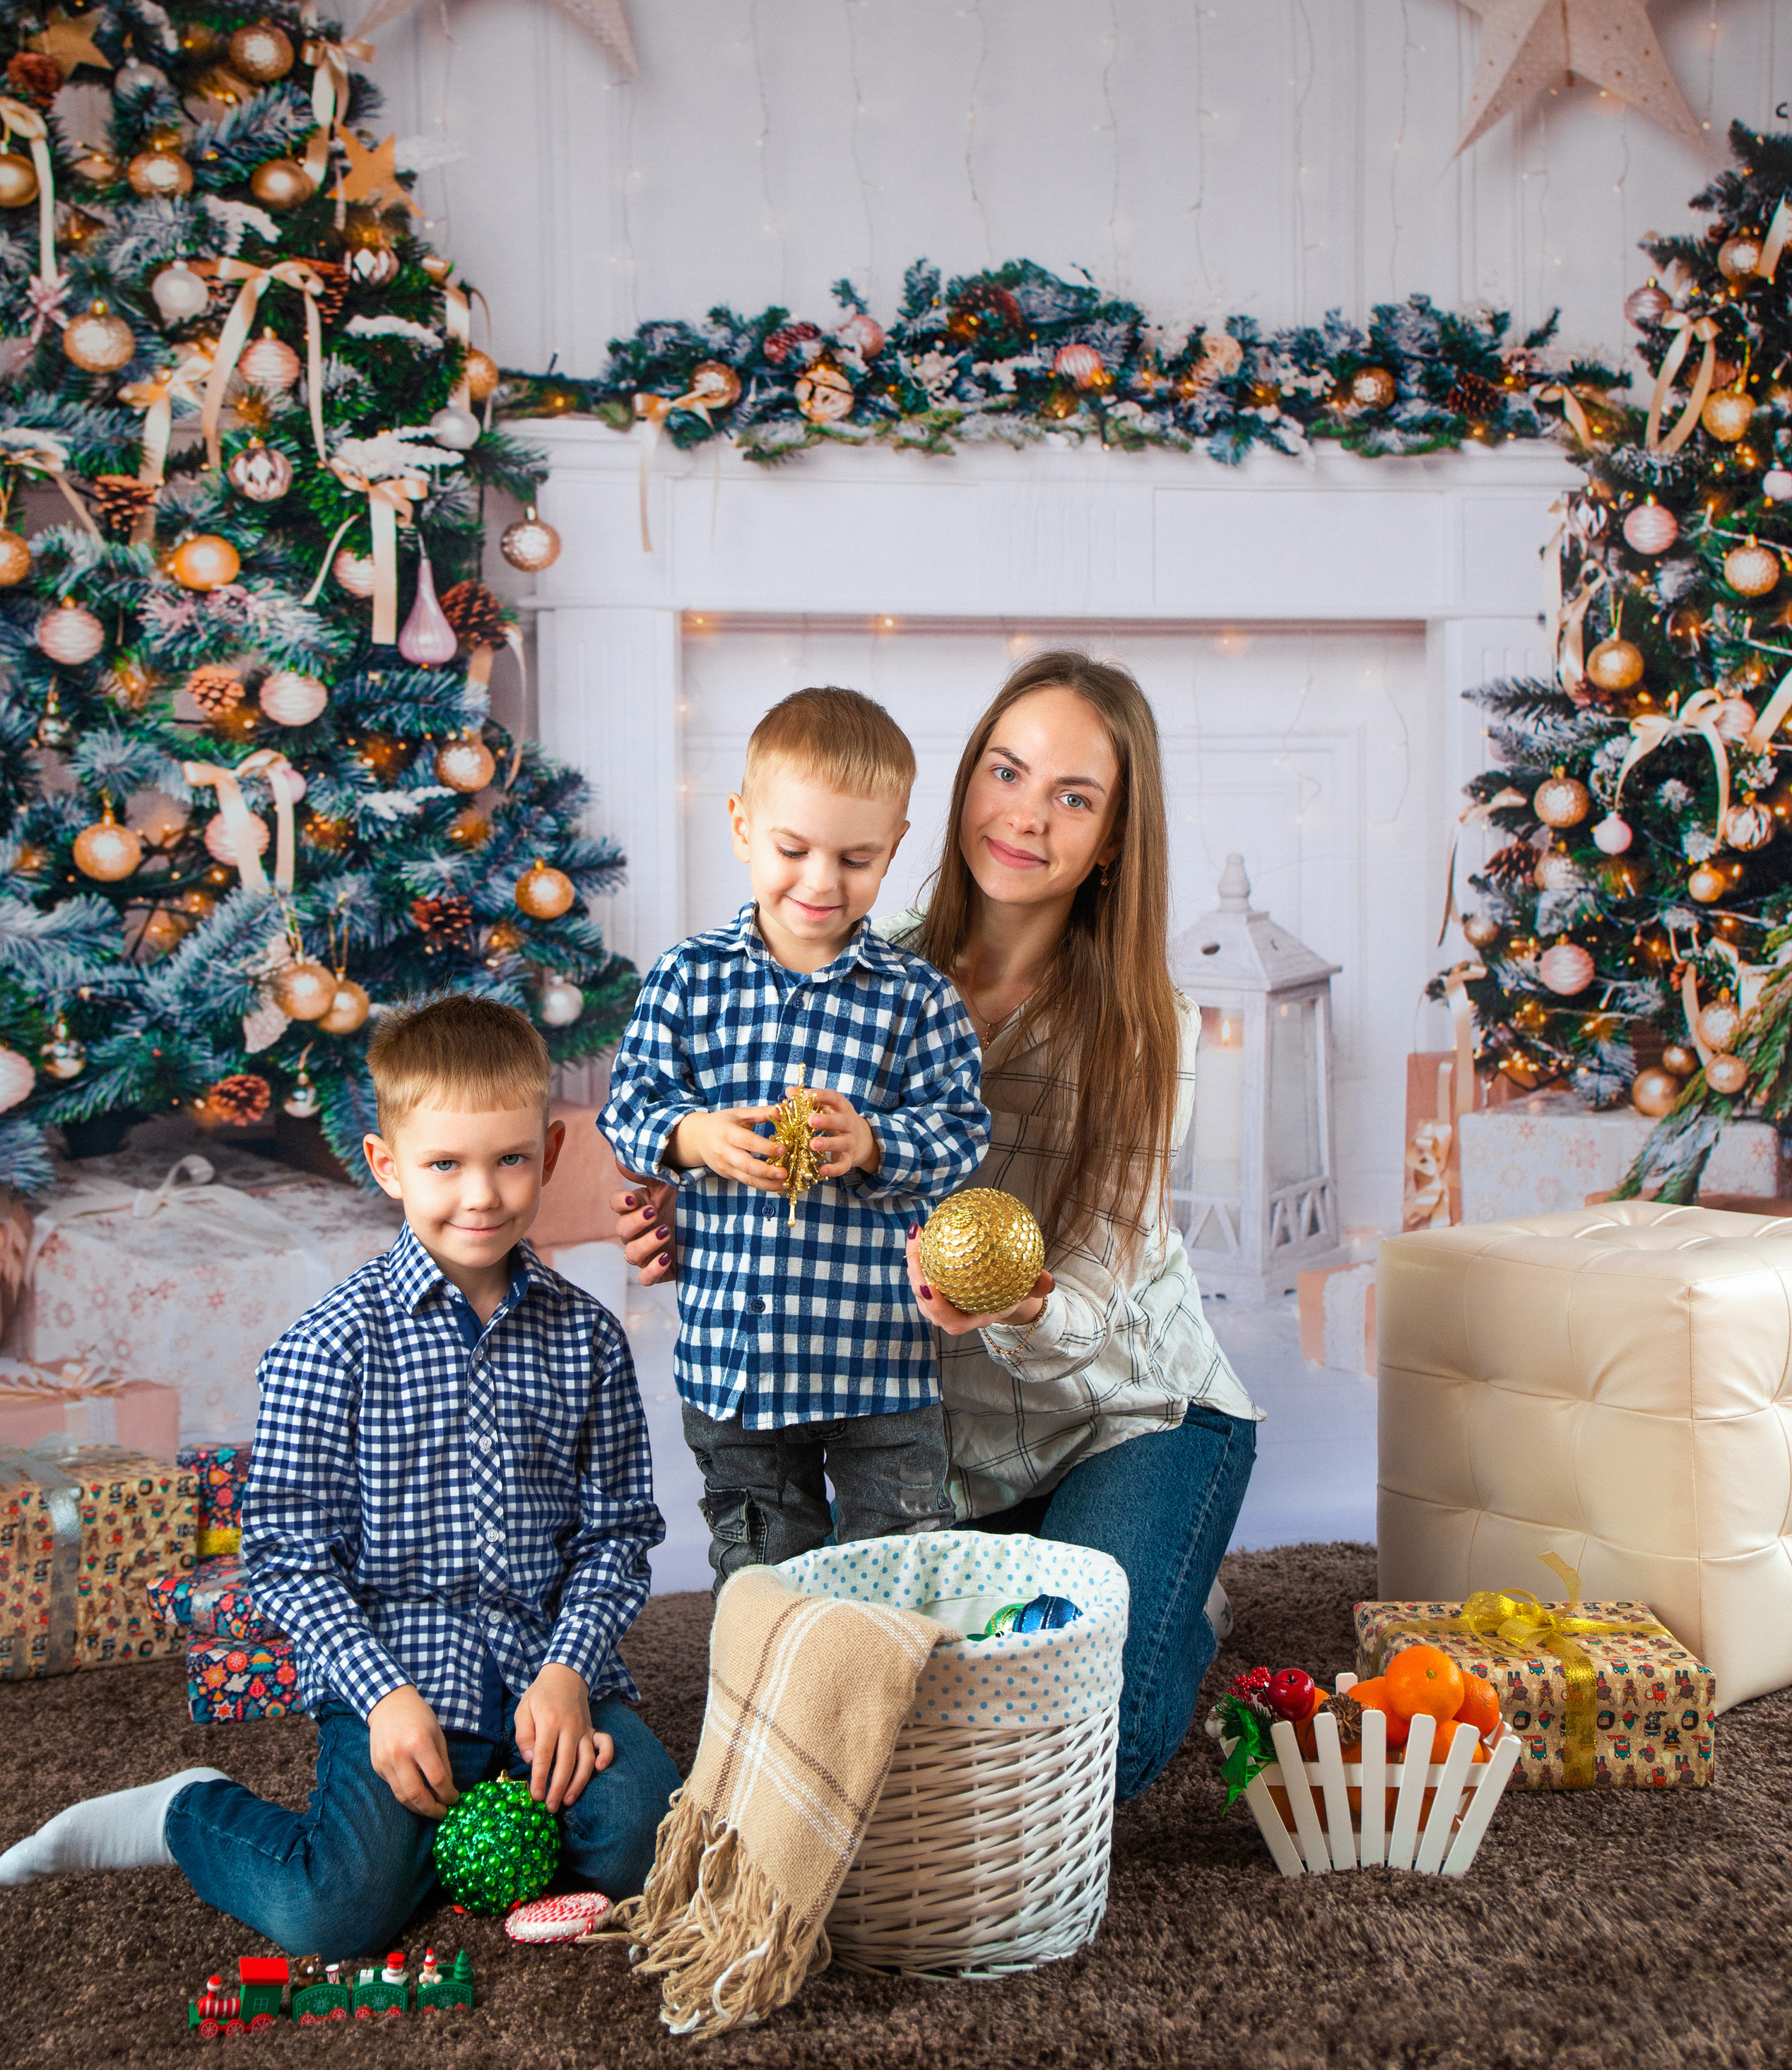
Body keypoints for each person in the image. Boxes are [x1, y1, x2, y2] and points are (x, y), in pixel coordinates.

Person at [615, 653, 1260, 1801]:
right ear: (961, 790)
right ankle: (1084, 1567)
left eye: (1074, 796)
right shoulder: (862, 959)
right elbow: (748, 1146)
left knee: (1081, 1745)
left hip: (1126, 1409)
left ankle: (1166, 1590)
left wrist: (1013, 1300)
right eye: (1006, 771)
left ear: (1113, 838)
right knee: (884, 1725)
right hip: (945, 1440)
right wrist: (692, 1200)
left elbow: (1098, 1286)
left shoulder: (1147, 1022)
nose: (1026, 812)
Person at [0, 994, 680, 1953]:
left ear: (550, 1155)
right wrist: (385, 1697)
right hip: (394, 1677)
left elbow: (615, 1533)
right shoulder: (327, 1346)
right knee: (337, 1910)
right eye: (445, 1163)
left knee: (652, 1843)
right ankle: (187, 1811)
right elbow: (285, 1555)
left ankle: (480, 1817)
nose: (480, 1193)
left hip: (545, 1665)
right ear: (387, 1166)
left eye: (509, 1158)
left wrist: (570, 1669)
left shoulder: (590, 1339)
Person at [601, 686, 990, 1590]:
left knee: (901, 1582)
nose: (820, 881)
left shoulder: (916, 996)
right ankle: (774, 1720)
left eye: (857, 858)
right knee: (763, 1581)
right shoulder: (687, 978)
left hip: (879, 1372)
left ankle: (899, 1727)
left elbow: (962, 1130)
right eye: (792, 849)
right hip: (737, 1374)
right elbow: (628, 1106)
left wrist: (877, 1142)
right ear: (741, 825)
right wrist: (693, 1137)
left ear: (894, 847)